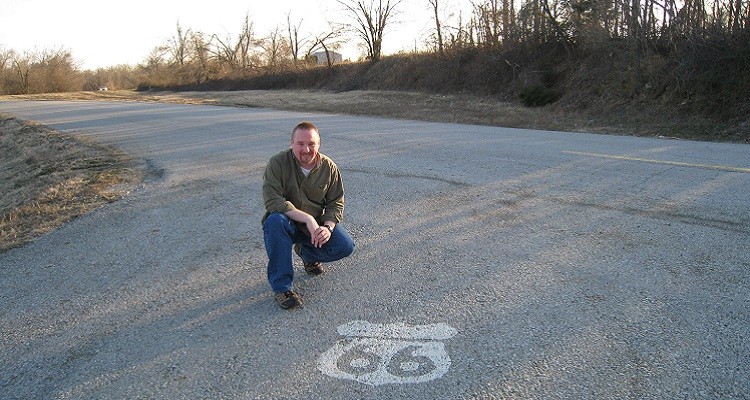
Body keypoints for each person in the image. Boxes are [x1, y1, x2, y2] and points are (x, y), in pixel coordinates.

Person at [262, 121, 355, 309]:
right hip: (287, 223)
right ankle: (282, 288)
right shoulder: (277, 163)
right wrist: (308, 219)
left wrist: (327, 227)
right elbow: (273, 200)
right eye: (300, 143)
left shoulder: (329, 168)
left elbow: (336, 202)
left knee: (345, 246)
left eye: (311, 144)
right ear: (291, 143)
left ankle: (307, 254)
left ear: (319, 144)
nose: (306, 149)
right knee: (274, 221)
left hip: (314, 228)